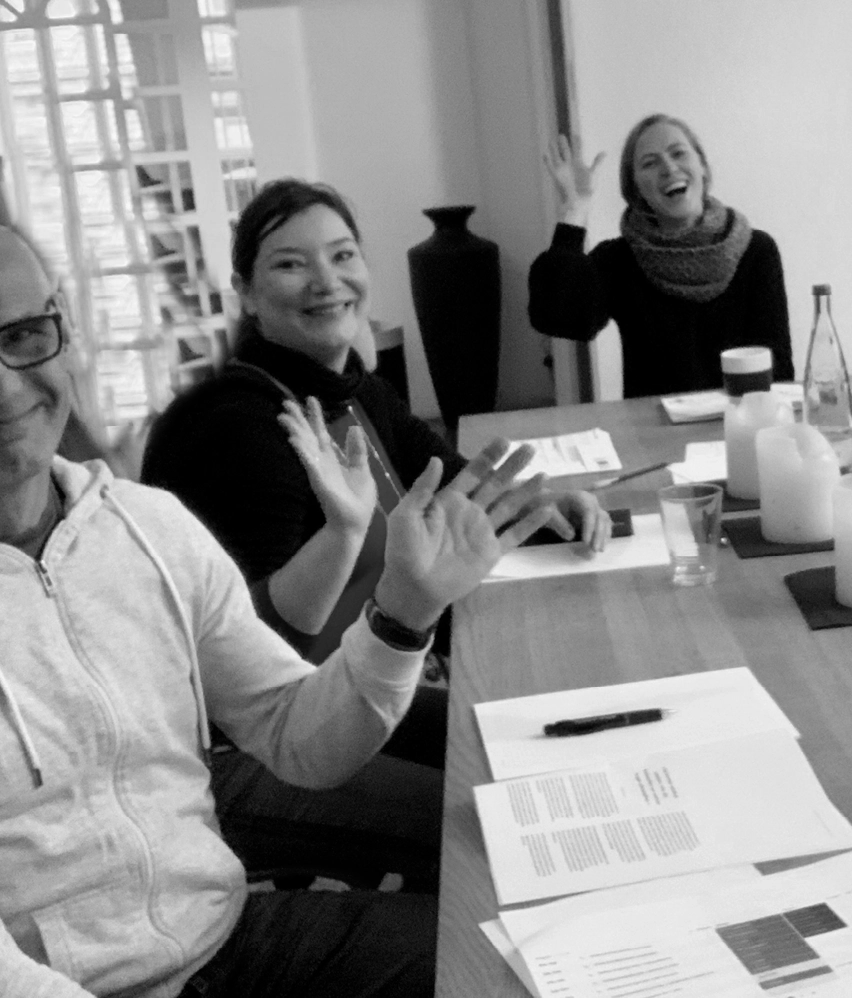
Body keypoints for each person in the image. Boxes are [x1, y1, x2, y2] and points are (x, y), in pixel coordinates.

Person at [0, 213, 559, 997]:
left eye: (24, 335)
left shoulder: (143, 526)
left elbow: (300, 741)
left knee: (512, 964)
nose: (1, 385)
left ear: (63, 330)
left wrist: (401, 613)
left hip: (222, 940)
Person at [140, 177, 611, 892]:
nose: (326, 282)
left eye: (342, 255)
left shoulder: (353, 389)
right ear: (246, 291)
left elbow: (455, 487)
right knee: (491, 823)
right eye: (291, 263)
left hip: (360, 687)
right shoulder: (237, 425)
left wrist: (548, 507)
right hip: (253, 743)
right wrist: (345, 532)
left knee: (531, 750)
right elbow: (251, 651)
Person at [528, 114, 793, 398]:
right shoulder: (620, 259)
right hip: (653, 430)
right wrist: (575, 209)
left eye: (678, 153)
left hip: (739, 422)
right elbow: (558, 317)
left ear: (702, 167)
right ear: (636, 189)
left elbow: (777, 366)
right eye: (649, 163)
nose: (668, 168)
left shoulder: (756, 250)